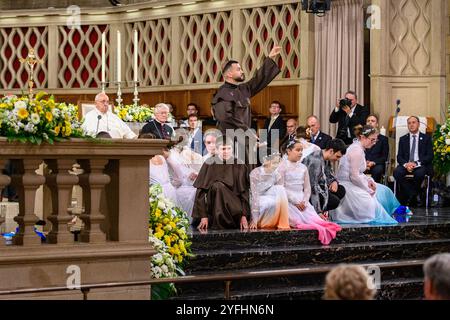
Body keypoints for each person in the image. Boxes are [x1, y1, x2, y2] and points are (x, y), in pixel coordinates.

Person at [212, 45, 281, 164]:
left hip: (244, 141)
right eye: (238, 69)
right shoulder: (221, 94)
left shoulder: (243, 89)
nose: (242, 71)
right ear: (229, 74)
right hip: (229, 143)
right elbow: (225, 118)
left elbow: (258, 80)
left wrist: (269, 58)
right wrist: (247, 131)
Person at [330, 125, 400, 225]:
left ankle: (394, 211)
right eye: (372, 140)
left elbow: (359, 173)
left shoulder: (359, 148)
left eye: (375, 140)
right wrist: (367, 189)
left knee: (385, 190)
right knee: (372, 198)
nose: (374, 143)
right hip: (348, 183)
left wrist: (369, 180)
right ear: (363, 137)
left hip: (354, 180)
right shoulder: (356, 150)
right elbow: (354, 176)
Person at [278, 140, 342, 245]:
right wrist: (295, 201)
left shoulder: (303, 168)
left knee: (315, 220)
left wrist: (304, 200)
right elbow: (281, 187)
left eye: (301, 150)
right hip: (288, 199)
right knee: (298, 220)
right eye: (297, 150)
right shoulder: (282, 167)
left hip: (302, 199)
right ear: (288, 151)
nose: (300, 153)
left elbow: (308, 188)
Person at [192, 137, 250, 231]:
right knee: (218, 186)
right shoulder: (209, 163)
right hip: (214, 206)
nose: (226, 151)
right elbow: (200, 192)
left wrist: (244, 216)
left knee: (220, 187)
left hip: (234, 208)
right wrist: (203, 216)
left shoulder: (240, 165)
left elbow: (244, 193)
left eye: (229, 148)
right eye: (223, 149)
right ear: (217, 149)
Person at [302, 139, 347, 220]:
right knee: (334, 201)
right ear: (331, 151)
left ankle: (322, 211)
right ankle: (316, 214)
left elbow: (328, 173)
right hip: (307, 191)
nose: (338, 159)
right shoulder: (315, 161)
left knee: (340, 190)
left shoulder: (325, 156)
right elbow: (313, 187)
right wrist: (317, 211)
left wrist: (334, 181)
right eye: (337, 156)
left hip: (320, 187)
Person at [393, 116, 433, 206]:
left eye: (413, 122)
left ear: (418, 124)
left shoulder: (426, 138)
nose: (411, 125)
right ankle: (414, 194)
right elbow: (399, 156)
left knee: (420, 173)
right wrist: (406, 164)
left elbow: (430, 156)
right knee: (397, 172)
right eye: (409, 123)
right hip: (406, 164)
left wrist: (415, 163)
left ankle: (409, 196)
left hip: (420, 164)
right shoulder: (403, 139)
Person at [249, 153, 290, 230]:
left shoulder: (276, 174)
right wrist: (254, 219)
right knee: (268, 203)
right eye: (274, 163)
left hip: (268, 195)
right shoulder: (256, 173)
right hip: (256, 197)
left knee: (280, 190)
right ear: (266, 161)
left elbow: (281, 192)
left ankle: (281, 221)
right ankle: (259, 222)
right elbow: (255, 196)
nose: (276, 165)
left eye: (278, 163)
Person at [365, 114, 389, 183]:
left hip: (377, 164)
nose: (370, 122)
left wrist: (373, 162)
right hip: (363, 163)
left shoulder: (383, 139)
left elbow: (384, 156)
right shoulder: (363, 138)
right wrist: (365, 162)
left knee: (377, 170)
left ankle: (373, 189)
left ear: (377, 124)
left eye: (372, 121)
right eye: (368, 121)